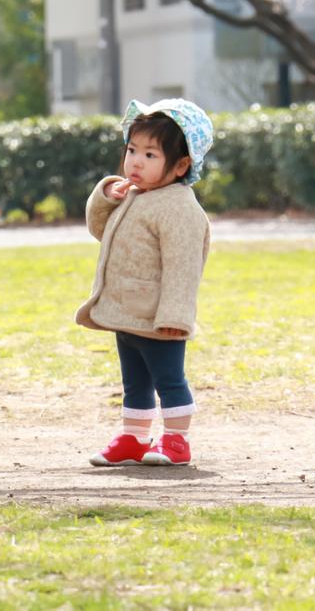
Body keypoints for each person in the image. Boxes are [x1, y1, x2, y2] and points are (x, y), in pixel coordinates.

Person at [77, 99, 213, 467]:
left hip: (160, 318)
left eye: (150, 155)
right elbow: (101, 230)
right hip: (127, 311)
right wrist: (105, 198)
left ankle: (177, 440)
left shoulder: (179, 207)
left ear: (182, 165)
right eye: (132, 150)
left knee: (169, 379)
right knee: (134, 381)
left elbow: (184, 267)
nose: (136, 161)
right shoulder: (135, 196)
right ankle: (134, 437)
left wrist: (176, 316)